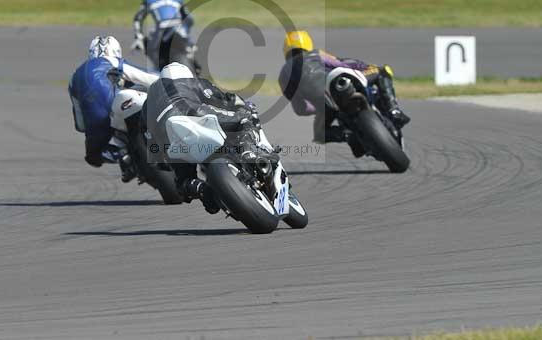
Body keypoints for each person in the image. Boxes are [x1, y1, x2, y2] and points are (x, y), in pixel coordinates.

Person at [142, 62, 255, 214]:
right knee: (244, 119)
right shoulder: (192, 83)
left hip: (170, 141)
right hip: (194, 116)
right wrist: (243, 107)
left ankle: (201, 189)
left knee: (182, 182)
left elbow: (148, 137)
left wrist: (162, 158)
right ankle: (249, 153)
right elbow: (222, 100)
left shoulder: (148, 103)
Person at [278, 30, 410, 156]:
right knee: (382, 71)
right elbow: (341, 64)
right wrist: (364, 68)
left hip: (325, 105)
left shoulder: (283, 77)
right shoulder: (316, 54)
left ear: (285, 50)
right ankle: (394, 111)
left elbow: (301, 109)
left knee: (319, 135)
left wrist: (318, 106)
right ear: (308, 43)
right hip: (339, 83)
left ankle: (348, 135)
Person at [68, 36, 158, 182]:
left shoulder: (74, 79)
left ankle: (123, 155)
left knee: (93, 157)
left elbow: (80, 125)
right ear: (116, 51)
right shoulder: (112, 61)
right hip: (119, 106)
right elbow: (146, 77)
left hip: (96, 125)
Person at [131, 0, 195, 67]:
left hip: (161, 31)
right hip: (179, 30)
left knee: (150, 47)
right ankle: (192, 57)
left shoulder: (149, 0)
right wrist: (186, 34)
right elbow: (190, 19)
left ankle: (159, 69)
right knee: (189, 46)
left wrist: (138, 37)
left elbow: (138, 19)